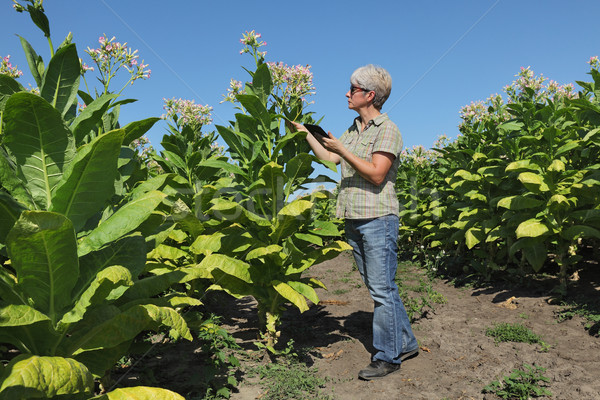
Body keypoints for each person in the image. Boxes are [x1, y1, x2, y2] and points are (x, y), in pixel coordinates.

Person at [290, 64, 418, 380]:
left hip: (377, 218)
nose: (347, 93)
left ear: (369, 95)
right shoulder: (352, 129)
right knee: (380, 286)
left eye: (353, 89)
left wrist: (343, 150)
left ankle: (388, 357)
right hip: (353, 217)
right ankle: (407, 342)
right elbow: (329, 158)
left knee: (381, 289)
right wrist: (308, 134)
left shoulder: (388, 130)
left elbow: (376, 174)